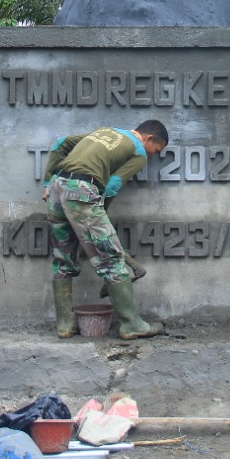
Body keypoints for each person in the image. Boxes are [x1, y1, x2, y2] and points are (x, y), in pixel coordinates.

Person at [43, 120, 169, 340]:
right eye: (156, 151)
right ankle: (131, 324)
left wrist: (47, 182)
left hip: (57, 190)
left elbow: (60, 144)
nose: (152, 156)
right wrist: (101, 214)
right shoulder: (138, 151)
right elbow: (112, 186)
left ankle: (64, 325)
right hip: (81, 191)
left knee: (63, 257)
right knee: (111, 258)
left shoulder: (105, 132)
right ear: (149, 139)